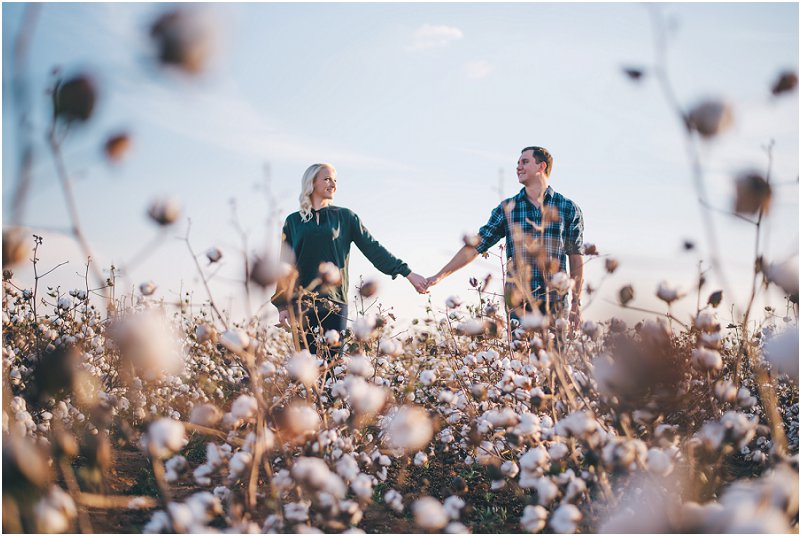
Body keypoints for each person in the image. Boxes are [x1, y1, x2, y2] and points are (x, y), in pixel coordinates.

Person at [272, 163, 428, 355]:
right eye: (327, 179)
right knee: (307, 368)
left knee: (333, 369)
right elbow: (284, 265)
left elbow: (373, 248)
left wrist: (407, 273)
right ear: (311, 182)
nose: (333, 184)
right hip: (301, 304)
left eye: (335, 180)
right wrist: (282, 304)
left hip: (335, 303)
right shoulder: (293, 221)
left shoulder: (345, 217)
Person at [425, 146, 584, 326]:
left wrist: (576, 305)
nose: (518, 167)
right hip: (519, 303)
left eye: (525, 162)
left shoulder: (568, 208)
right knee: (519, 355)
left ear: (541, 166)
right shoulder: (507, 208)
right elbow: (476, 246)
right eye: (517, 163)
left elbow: (576, 258)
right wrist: (439, 276)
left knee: (556, 354)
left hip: (554, 303)